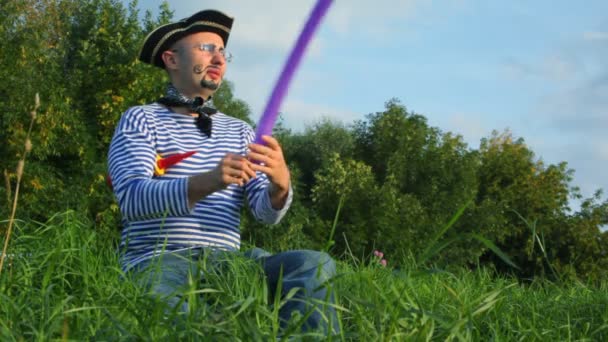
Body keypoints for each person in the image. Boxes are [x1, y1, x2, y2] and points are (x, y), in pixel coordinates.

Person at [107, 9, 339, 334]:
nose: (219, 58)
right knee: (166, 313)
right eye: (206, 48)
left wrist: (280, 186)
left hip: (228, 261)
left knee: (314, 264)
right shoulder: (140, 119)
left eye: (223, 52)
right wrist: (207, 181)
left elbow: (264, 213)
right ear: (171, 59)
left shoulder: (240, 131)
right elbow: (131, 199)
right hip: (159, 260)